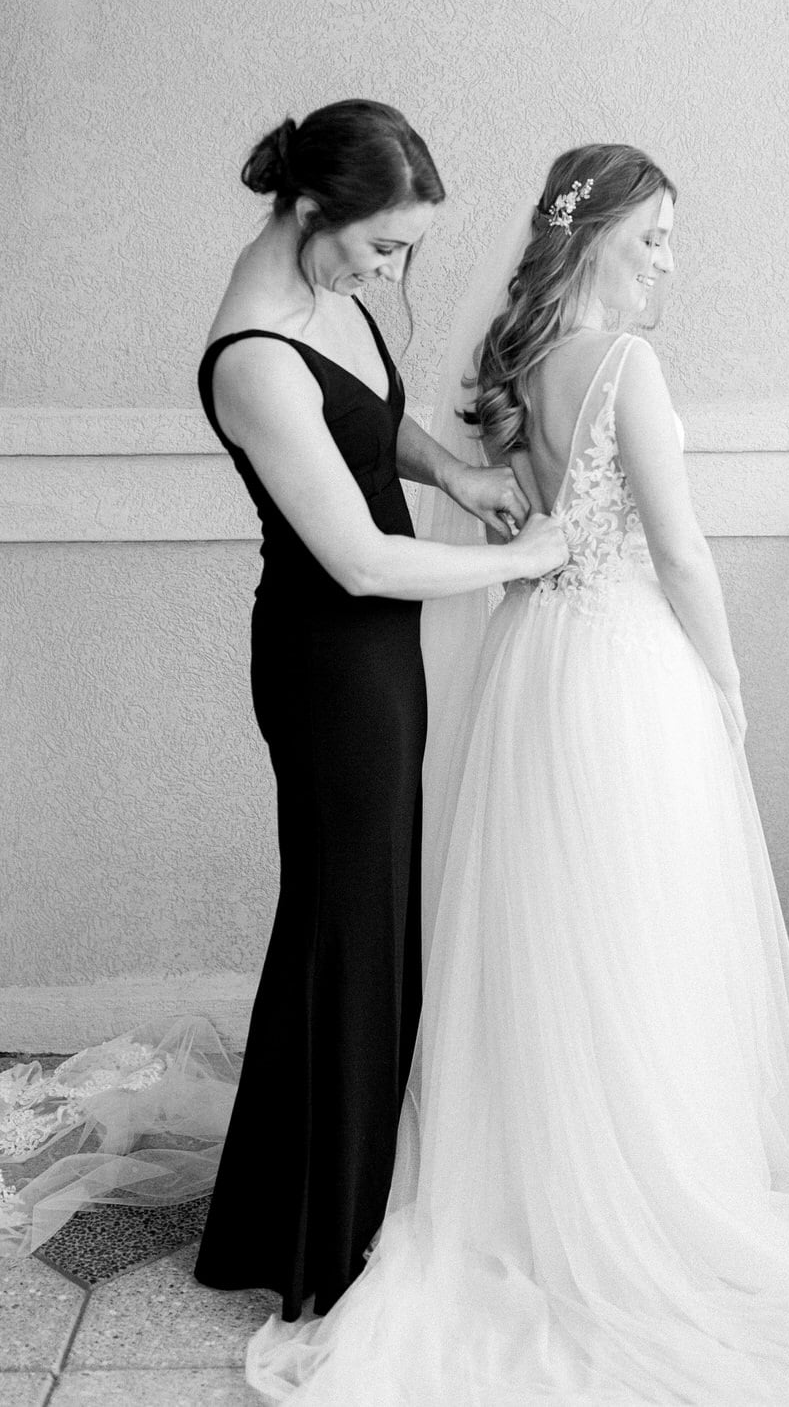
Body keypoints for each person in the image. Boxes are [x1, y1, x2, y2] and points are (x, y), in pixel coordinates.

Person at [246, 144, 789, 1403]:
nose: (667, 262)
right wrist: (725, 677)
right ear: (590, 238)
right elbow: (682, 551)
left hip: (532, 656)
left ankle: (532, 1182)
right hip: (623, 666)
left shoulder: (514, 355)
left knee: (545, 925)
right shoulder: (626, 367)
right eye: (651, 236)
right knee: (639, 931)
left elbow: (513, 502)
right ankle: (645, 1188)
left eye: (670, 239)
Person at [192, 100, 566, 1324]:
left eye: (402, 248)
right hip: (323, 660)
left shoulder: (329, 298)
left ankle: (292, 1208)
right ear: (308, 211)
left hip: (375, 661)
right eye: (380, 245)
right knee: (347, 937)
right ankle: (318, 1240)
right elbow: (355, 558)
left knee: (354, 928)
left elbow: (363, 421)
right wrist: (520, 559)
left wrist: (451, 472)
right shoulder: (251, 352)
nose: (392, 269)